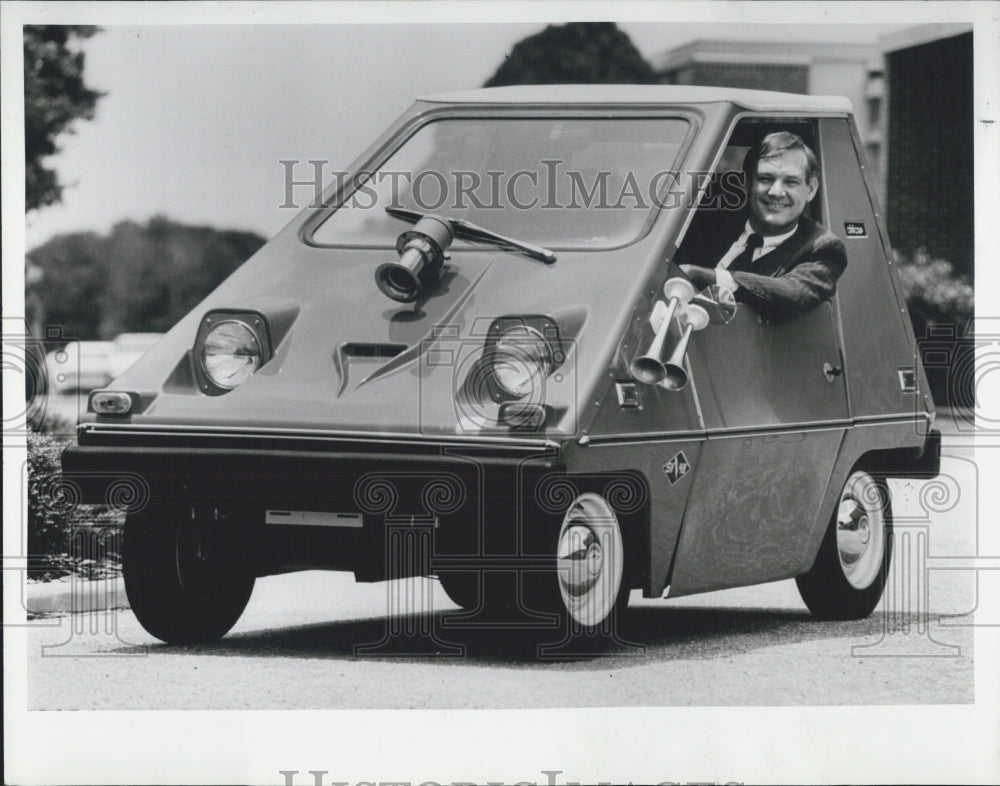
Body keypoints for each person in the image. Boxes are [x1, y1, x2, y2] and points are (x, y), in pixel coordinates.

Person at [676, 131, 847, 324]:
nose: (776, 192)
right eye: (765, 179)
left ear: (811, 189)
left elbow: (792, 293)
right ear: (748, 183)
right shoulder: (706, 228)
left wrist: (711, 277)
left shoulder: (823, 248)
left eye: (791, 182)